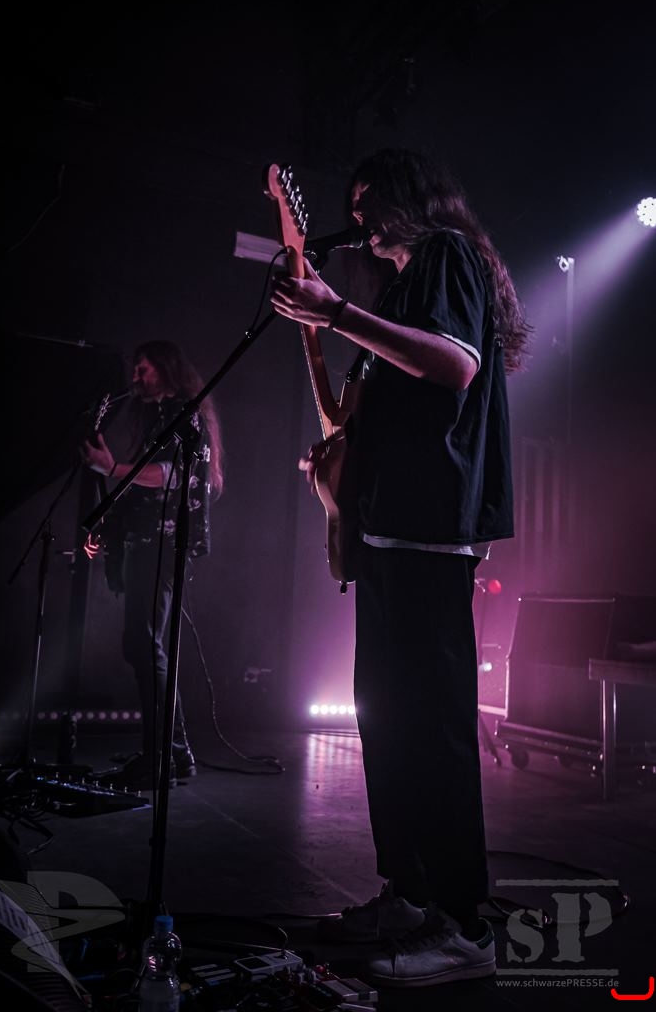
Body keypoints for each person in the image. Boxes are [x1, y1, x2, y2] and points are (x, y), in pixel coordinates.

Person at [270, 148, 531, 987]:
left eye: (368, 201)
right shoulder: (406, 284)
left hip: (428, 528)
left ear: (409, 200)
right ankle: (410, 895)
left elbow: (453, 364)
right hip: (389, 529)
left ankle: (463, 924)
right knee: (386, 723)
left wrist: (337, 312)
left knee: (431, 729)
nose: (359, 217)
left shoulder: (444, 254)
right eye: (351, 204)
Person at [79, 340, 224, 791]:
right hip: (147, 542)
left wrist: (111, 469)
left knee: (144, 644)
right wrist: (107, 523)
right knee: (143, 645)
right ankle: (174, 753)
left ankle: (161, 757)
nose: (136, 377)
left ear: (165, 368)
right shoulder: (161, 417)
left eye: (144, 369)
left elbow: (173, 476)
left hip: (163, 543)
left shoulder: (184, 414)